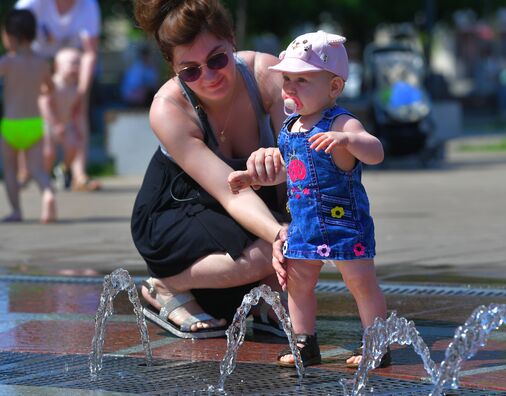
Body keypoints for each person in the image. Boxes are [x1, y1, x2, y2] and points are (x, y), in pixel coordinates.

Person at [228, 31, 390, 368]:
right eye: (287, 79)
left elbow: (376, 152)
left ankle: (376, 343)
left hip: (344, 222)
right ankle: (304, 343)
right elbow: (291, 169)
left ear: (334, 87)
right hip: (304, 224)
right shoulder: (290, 128)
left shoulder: (341, 122)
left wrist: (348, 140)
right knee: (297, 282)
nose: (290, 87)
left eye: (302, 80)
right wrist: (254, 178)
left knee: (360, 282)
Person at [130, 0, 289, 339]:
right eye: (191, 70)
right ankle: (166, 283)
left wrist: (284, 170)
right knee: (278, 250)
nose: (209, 76)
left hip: (236, 210)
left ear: (232, 40)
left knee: (310, 233)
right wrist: (279, 235)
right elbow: (232, 195)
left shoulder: (266, 76)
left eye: (217, 59)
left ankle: (263, 288)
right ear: (173, 68)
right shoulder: (168, 108)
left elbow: (306, 167)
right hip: (177, 209)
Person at [15, 0, 101, 192]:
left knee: (79, 115)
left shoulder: (88, 6)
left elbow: (89, 53)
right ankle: (24, 171)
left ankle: (79, 174)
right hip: (36, 58)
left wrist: (81, 90)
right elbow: (16, 35)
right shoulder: (31, 3)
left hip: (70, 62)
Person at [0, 9, 56, 223]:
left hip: (11, 125)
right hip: (34, 123)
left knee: (11, 172)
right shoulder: (41, 63)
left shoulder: (7, 62)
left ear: (11, 36)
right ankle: (48, 193)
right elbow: (49, 88)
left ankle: (16, 211)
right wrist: (41, 91)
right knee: (36, 169)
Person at [42, 47, 83, 190]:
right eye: (72, 64)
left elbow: (75, 109)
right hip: (49, 124)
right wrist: (55, 123)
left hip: (66, 124)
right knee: (49, 152)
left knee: (73, 147)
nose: (76, 68)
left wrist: (76, 126)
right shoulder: (52, 84)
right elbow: (44, 104)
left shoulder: (75, 87)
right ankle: (45, 177)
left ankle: (62, 169)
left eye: (78, 64)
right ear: (57, 66)